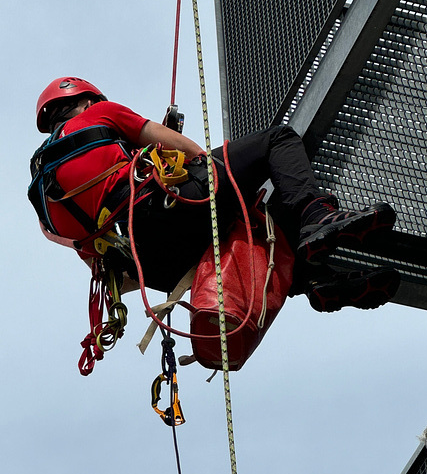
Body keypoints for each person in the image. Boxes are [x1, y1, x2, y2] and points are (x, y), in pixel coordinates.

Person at [29, 77, 400, 313]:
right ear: (87, 101)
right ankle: (316, 215)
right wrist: (180, 164)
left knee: (254, 221)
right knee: (275, 142)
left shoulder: (45, 196)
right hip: (171, 207)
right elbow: (190, 152)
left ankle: (315, 280)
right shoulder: (100, 115)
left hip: (156, 265)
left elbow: (108, 271)